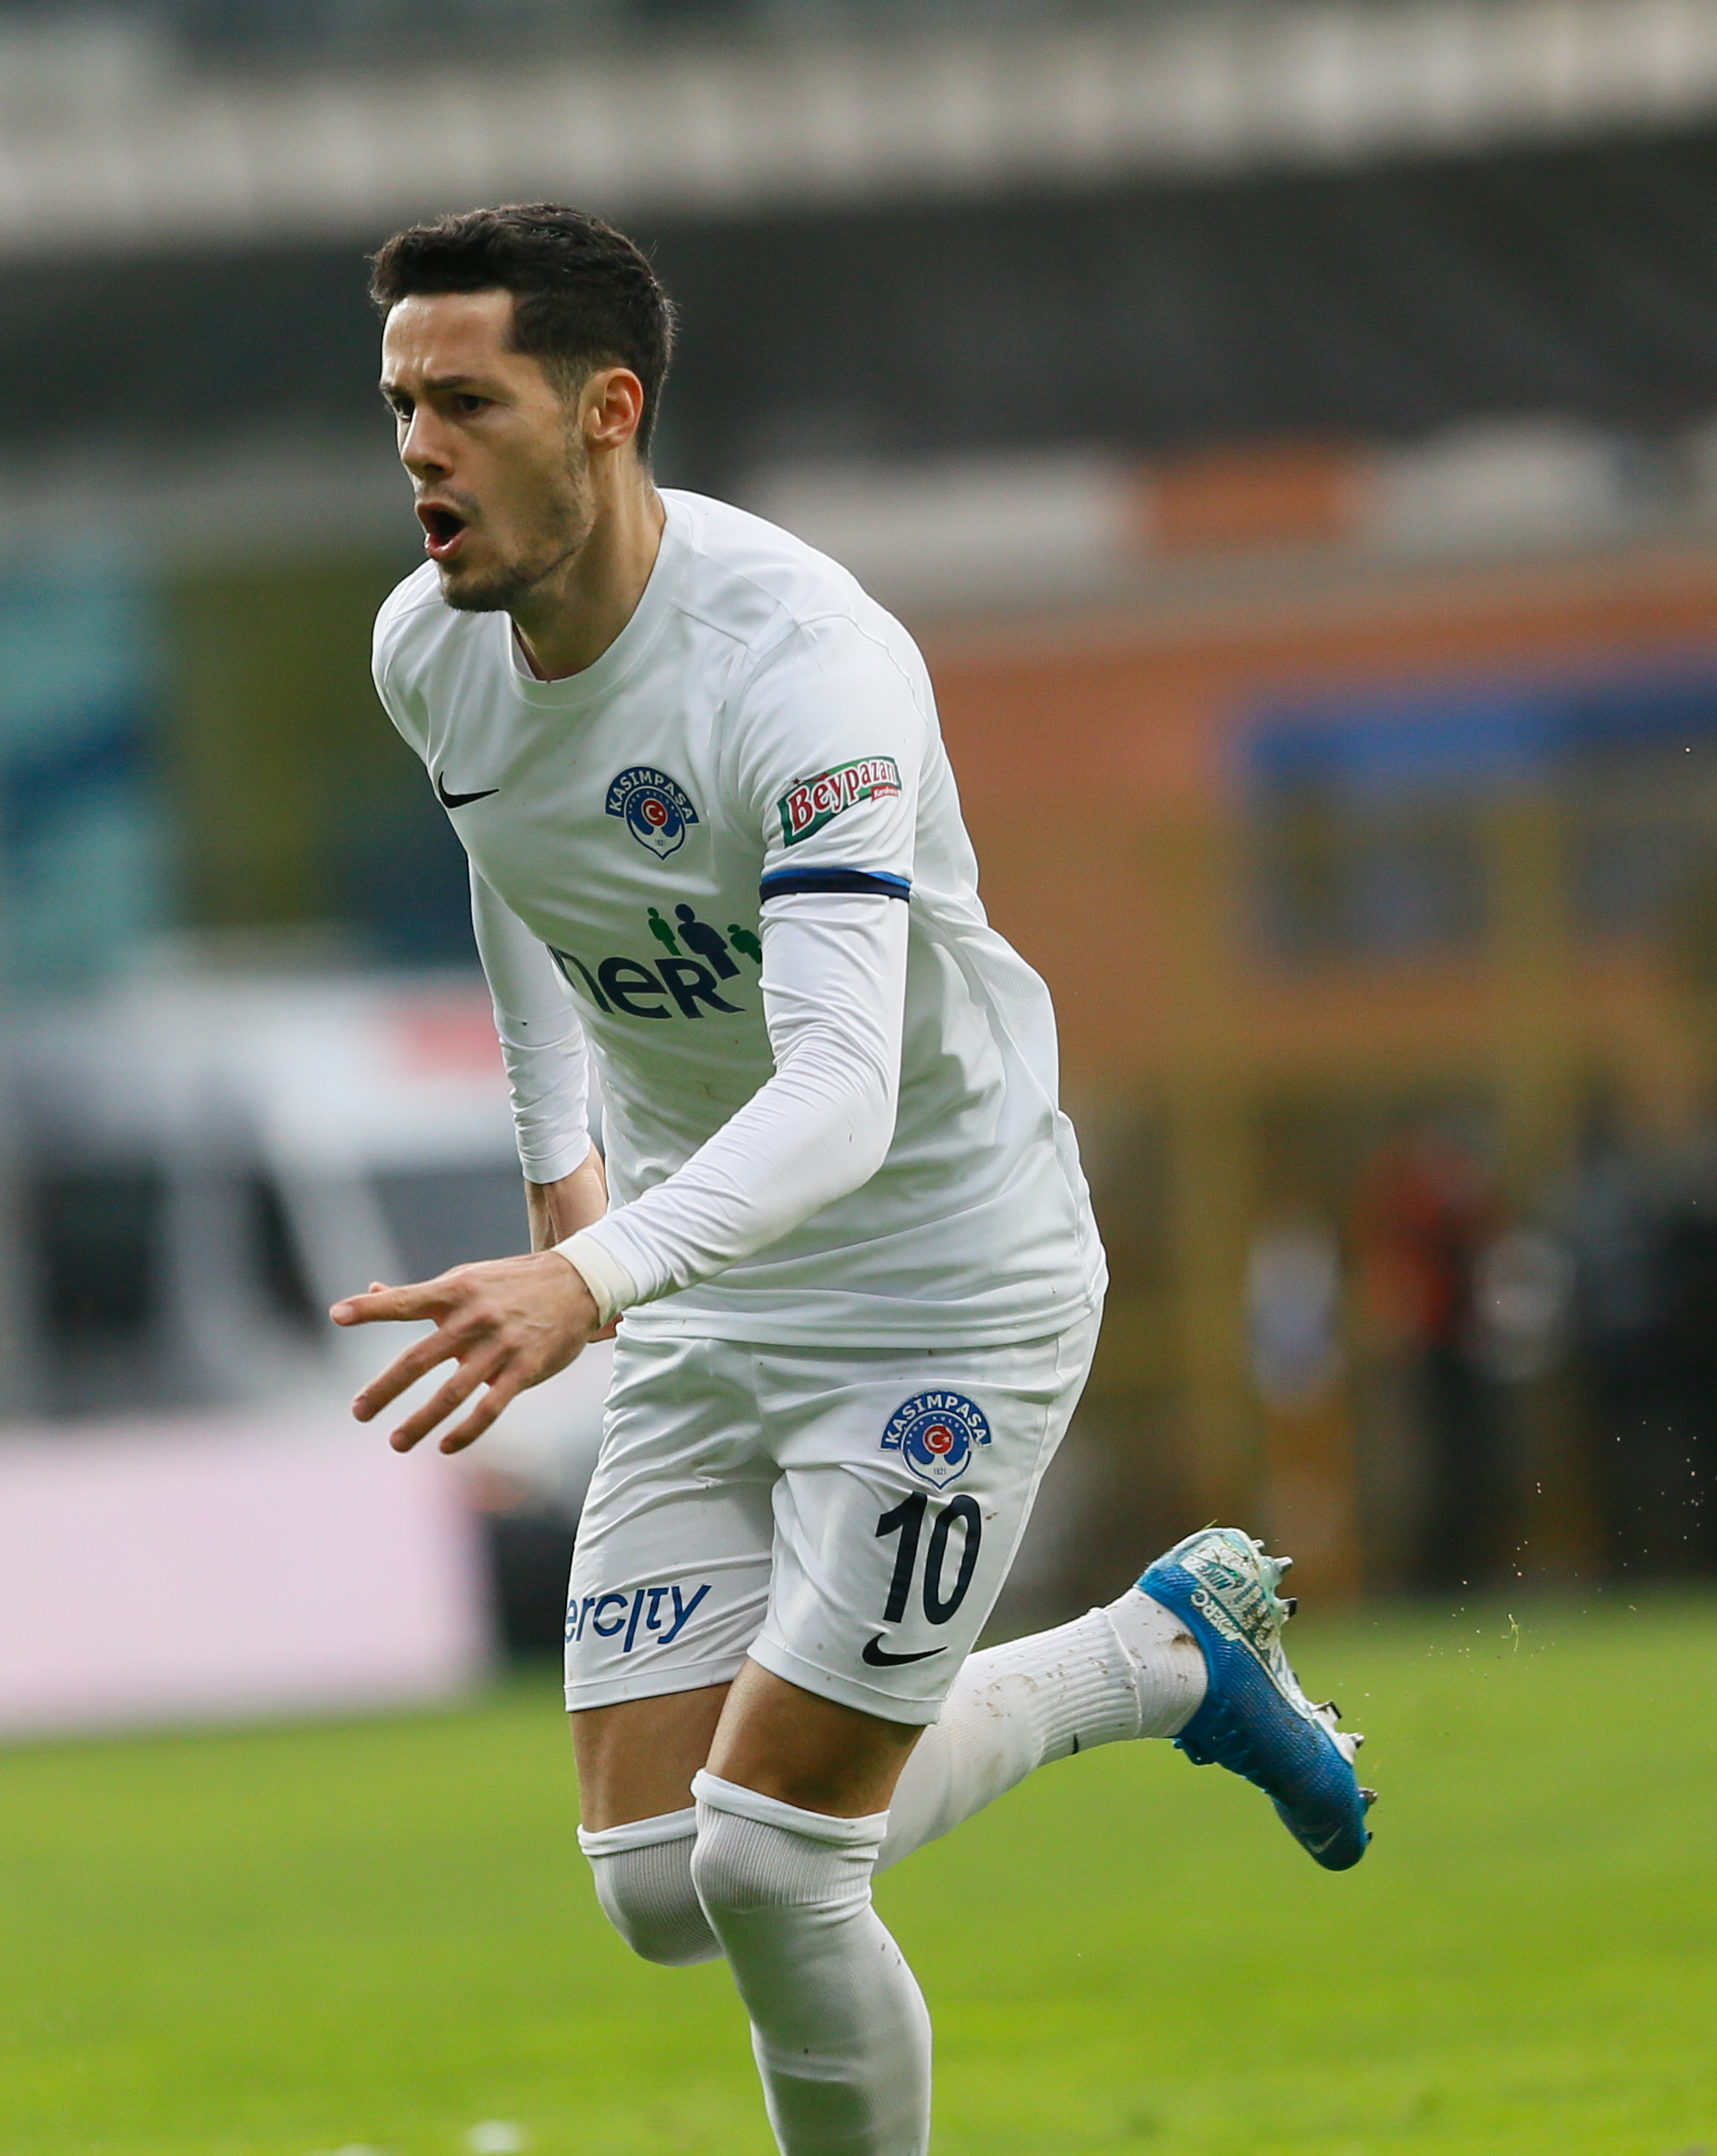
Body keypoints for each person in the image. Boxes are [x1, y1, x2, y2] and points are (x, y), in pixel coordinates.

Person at [335, 207, 1371, 2156]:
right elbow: (517, 867)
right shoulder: (426, 649)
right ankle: (1151, 1656)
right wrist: (559, 1176)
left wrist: (589, 1279)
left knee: (770, 1865)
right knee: (659, 1881)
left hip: (936, 1278)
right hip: (704, 1280)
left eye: (463, 403)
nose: (417, 450)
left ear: (605, 409)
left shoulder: (803, 668)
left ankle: (1141, 1663)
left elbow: (835, 1095)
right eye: (399, 407)